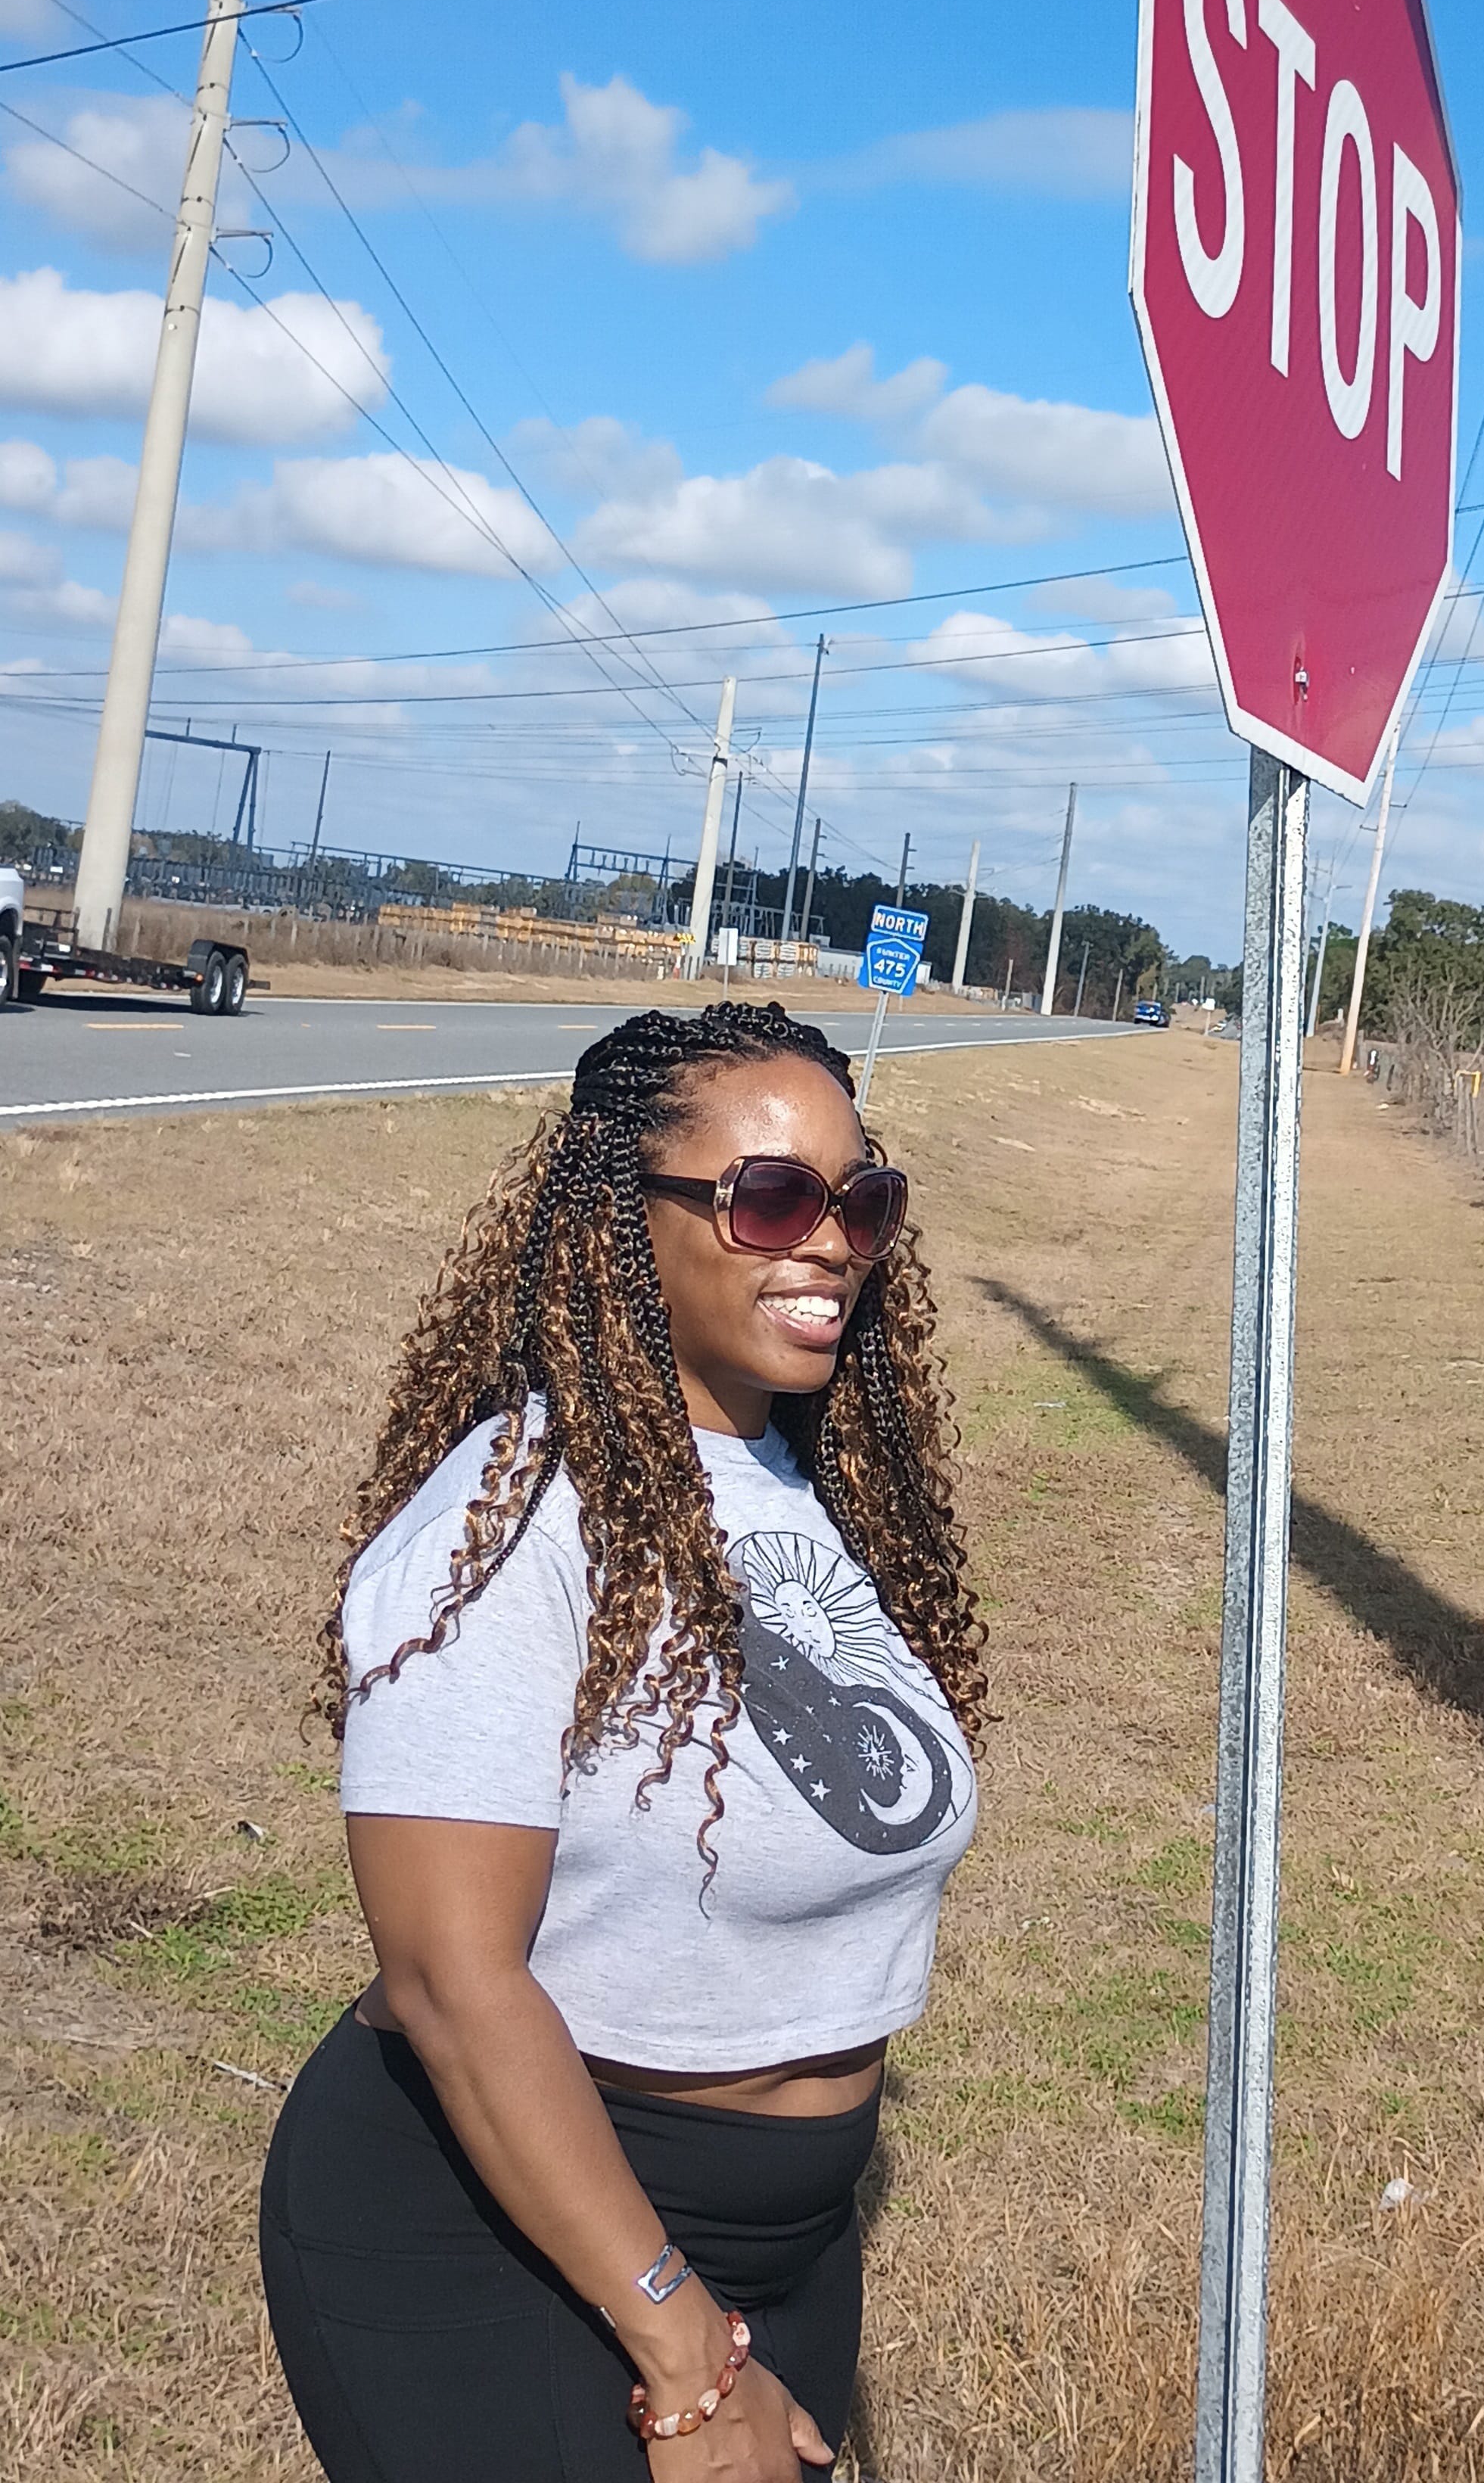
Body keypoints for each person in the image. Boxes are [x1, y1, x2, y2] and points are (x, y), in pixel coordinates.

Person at [260, 1000, 985, 2483]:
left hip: (786, 2239)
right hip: (509, 2224)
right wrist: (673, 2336)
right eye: (773, 1197)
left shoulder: (818, 1482)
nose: (833, 1238)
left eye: (863, 1199)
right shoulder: (513, 1519)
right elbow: (451, 1981)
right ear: (619, 1224)